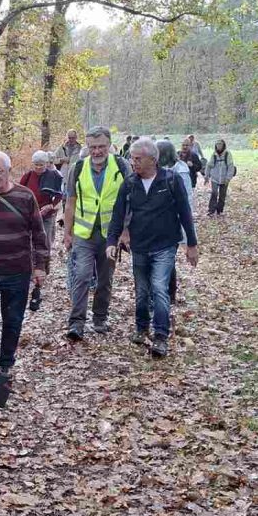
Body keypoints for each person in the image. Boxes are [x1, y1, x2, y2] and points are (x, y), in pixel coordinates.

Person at [108, 137, 199, 358]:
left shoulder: (171, 180)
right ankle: (141, 328)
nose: (134, 162)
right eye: (132, 158)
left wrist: (191, 244)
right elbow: (118, 215)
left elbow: (185, 213)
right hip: (139, 246)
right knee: (141, 291)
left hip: (165, 246)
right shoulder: (129, 183)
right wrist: (112, 242)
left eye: (138, 159)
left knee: (159, 288)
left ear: (153, 159)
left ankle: (160, 336)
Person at [0, 151, 49, 375]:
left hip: (17, 270)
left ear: (8, 171)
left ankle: (6, 363)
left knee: (13, 319)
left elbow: (38, 233)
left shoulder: (25, 197)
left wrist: (40, 265)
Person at [63, 126, 127, 340]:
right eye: (92, 147)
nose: (97, 151)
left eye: (101, 147)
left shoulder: (121, 166)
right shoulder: (78, 168)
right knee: (81, 275)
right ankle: (76, 323)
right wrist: (68, 232)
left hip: (110, 235)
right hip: (84, 234)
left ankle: (100, 318)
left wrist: (125, 231)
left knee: (105, 278)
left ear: (109, 146)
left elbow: (130, 201)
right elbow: (70, 202)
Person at [156, 140, 191, 305]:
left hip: (172, 224)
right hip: (155, 223)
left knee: (167, 260)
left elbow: (186, 201)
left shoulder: (180, 171)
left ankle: (169, 294)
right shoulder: (157, 170)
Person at [17, 150, 64, 251]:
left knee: (44, 240)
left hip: (46, 215)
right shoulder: (28, 176)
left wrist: (51, 206)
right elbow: (19, 192)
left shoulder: (53, 176)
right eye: (36, 164)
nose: (38, 167)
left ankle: (45, 262)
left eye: (41, 165)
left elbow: (59, 195)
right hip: (30, 214)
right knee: (30, 240)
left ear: (46, 164)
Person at [204, 139, 237, 216]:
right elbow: (209, 166)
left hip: (224, 178)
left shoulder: (227, 154)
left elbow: (230, 167)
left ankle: (219, 210)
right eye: (217, 144)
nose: (218, 145)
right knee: (214, 193)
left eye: (220, 144)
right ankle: (211, 210)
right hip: (214, 178)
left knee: (222, 195)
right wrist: (206, 176)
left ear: (223, 145)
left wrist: (228, 178)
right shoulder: (214, 154)